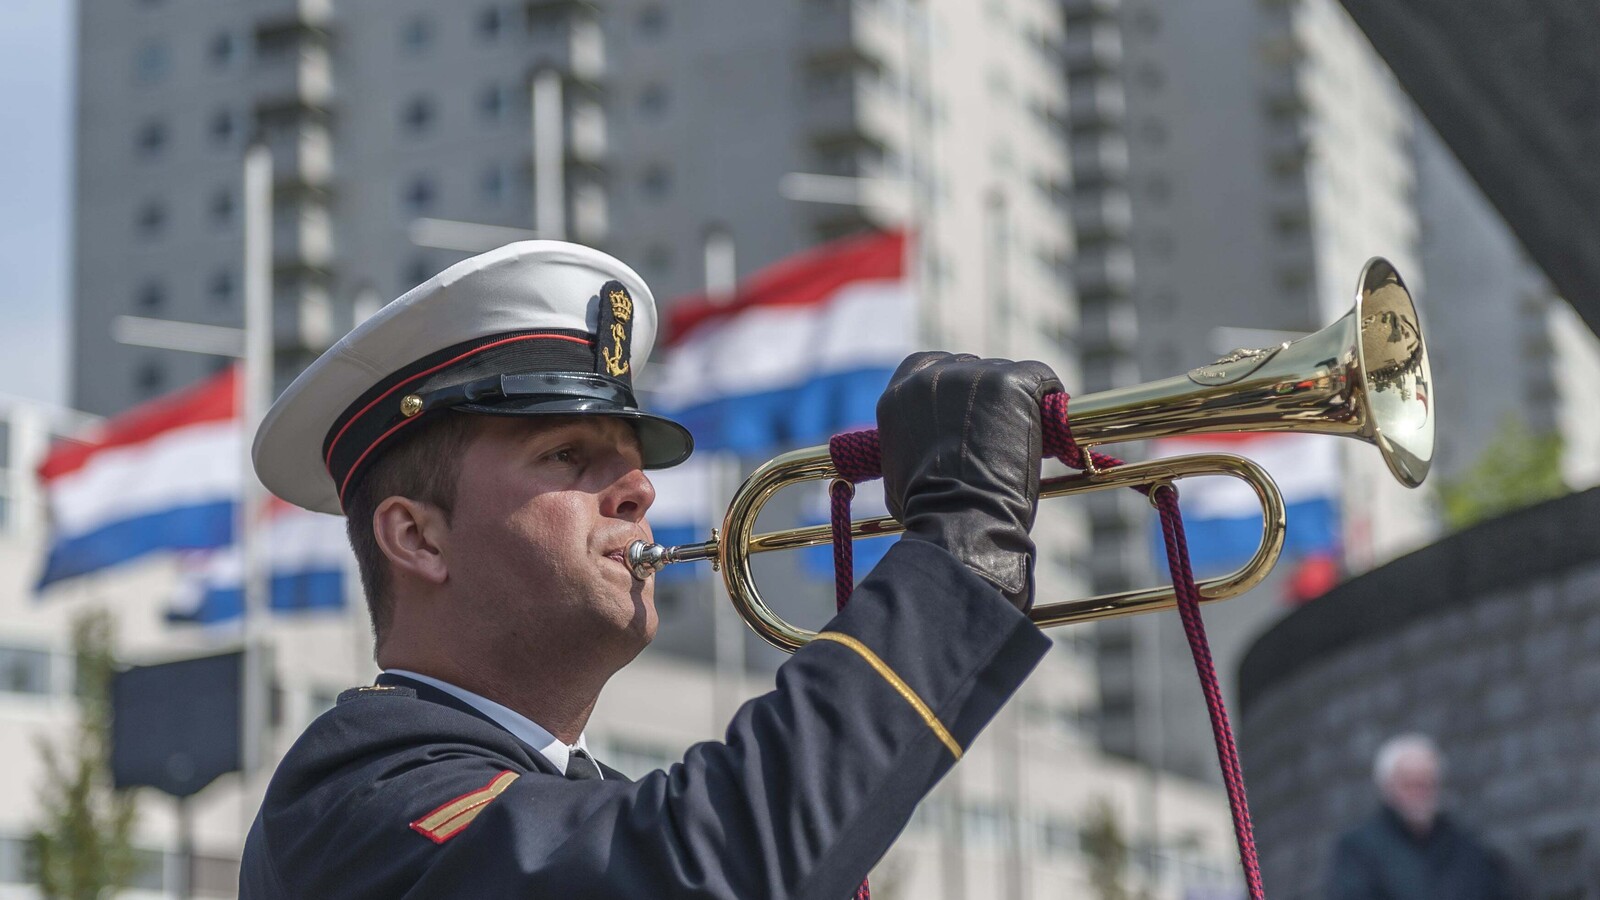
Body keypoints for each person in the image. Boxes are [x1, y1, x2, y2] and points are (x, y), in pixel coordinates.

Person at [239, 241, 1061, 898]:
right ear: (417, 538)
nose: (638, 490)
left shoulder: (575, 799)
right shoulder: (357, 797)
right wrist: (957, 556)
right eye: (567, 454)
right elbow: (701, 870)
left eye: (632, 463)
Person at [1326, 733, 1514, 900]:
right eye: (1409, 783)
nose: (1419, 792)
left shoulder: (1467, 847)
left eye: (1427, 783)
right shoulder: (1359, 850)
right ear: (1388, 787)